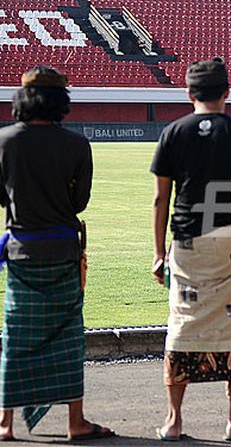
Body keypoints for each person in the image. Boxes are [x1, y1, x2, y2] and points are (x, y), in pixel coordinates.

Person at [151, 58, 231, 442]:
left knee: (183, 324)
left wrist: (158, 252)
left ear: (189, 93)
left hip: (188, 242)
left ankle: (173, 420)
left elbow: (161, 200)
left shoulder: (172, 133)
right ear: (227, 92)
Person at [0, 67, 115, 441]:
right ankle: (75, 422)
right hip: (63, 252)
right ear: (60, 101)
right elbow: (78, 202)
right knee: (68, 338)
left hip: (21, 252)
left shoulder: (4, 142)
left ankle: (5, 424)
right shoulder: (77, 145)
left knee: (16, 337)